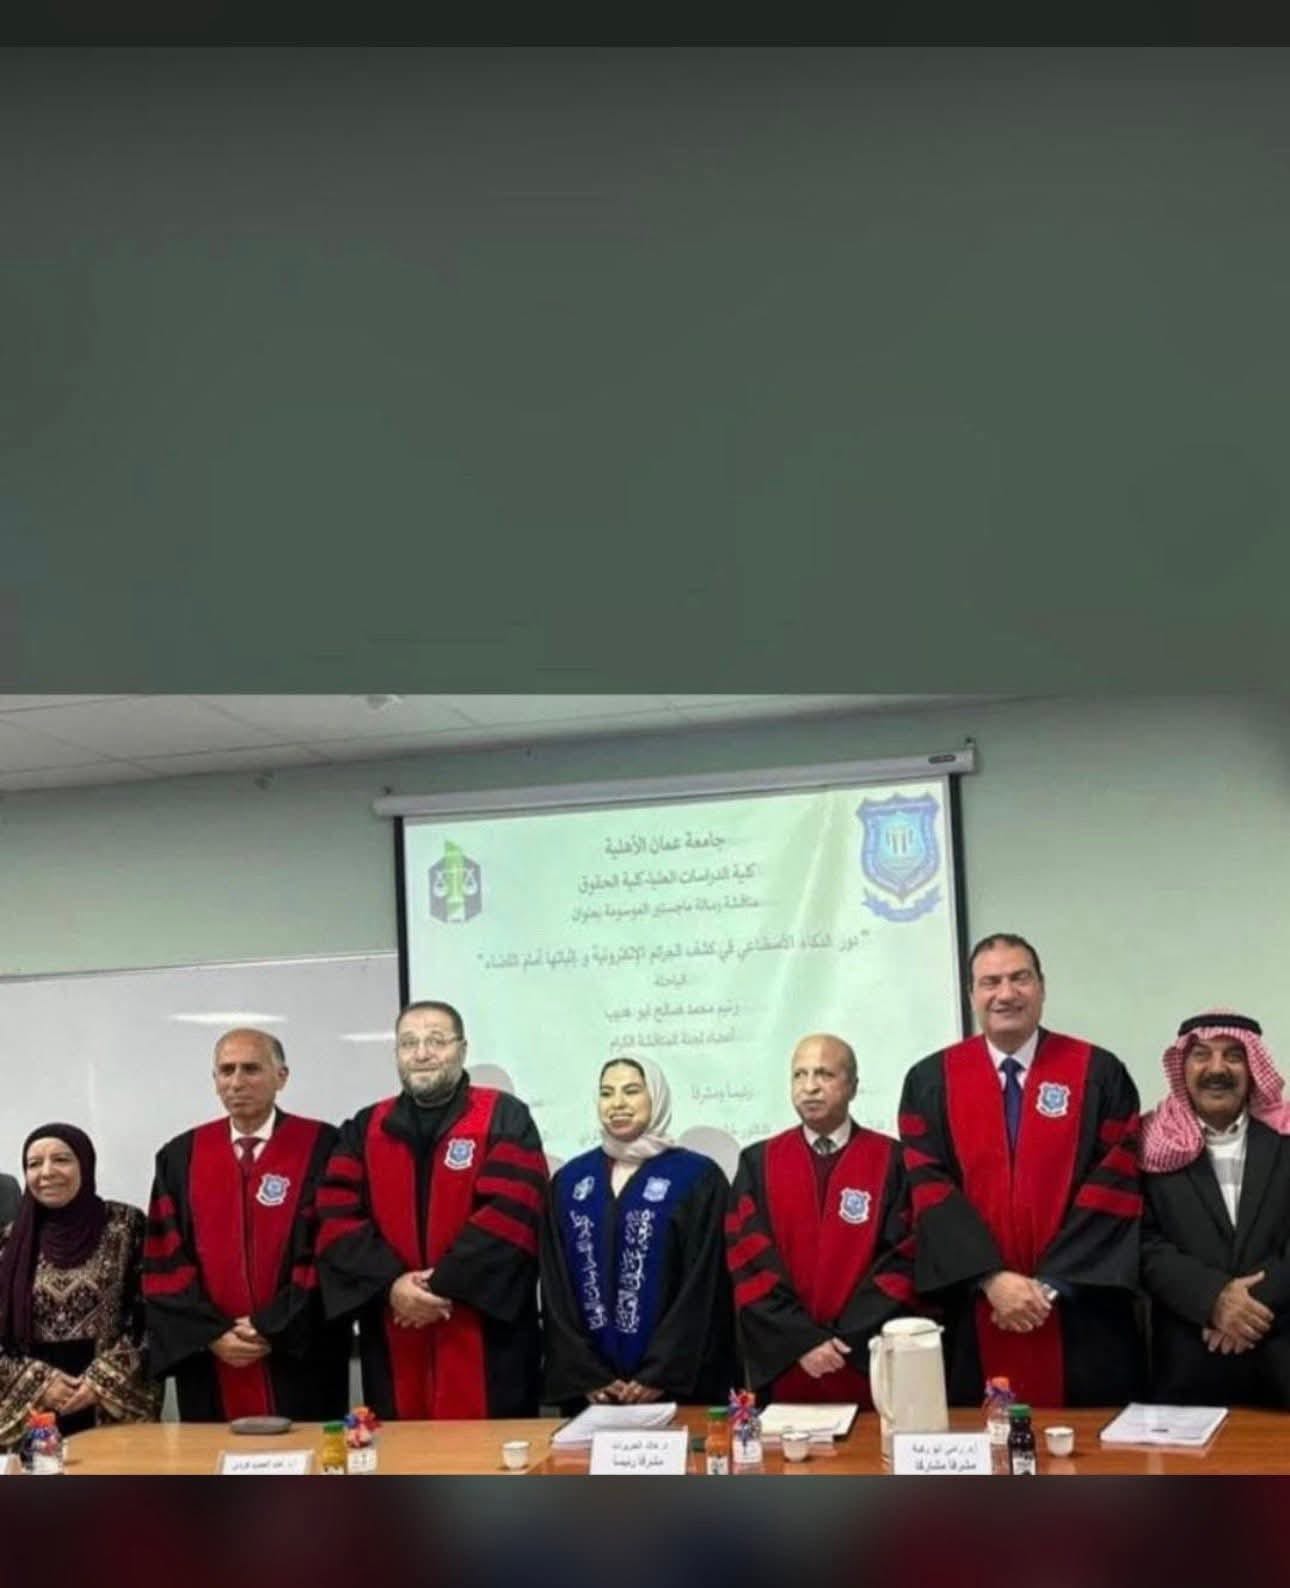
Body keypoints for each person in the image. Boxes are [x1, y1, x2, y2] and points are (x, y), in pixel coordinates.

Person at [899, 933, 1144, 1406]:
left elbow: (1115, 1182)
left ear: (1042, 987)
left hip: (1082, 1313)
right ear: (971, 994)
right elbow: (930, 1190)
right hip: (976, 1309)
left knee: (1087, 1446)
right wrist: (991, 1279)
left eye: (1020, 978)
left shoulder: (1098, 1072)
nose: (1006, 994)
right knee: (984, 1442)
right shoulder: (930, 1081)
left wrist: (1048, 1287)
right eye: (990, 982)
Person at [317, 1000, 546, 1418]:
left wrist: (439, 1287)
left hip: (484, 1333)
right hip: (394, 1324)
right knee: (402, 1449)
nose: (421, 1053)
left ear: (462, 1049)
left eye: (436, 1041)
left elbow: (512, 1212)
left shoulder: (503, 1117)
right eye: (409, 1043)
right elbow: (336, 1215)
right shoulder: (366, 1128)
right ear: (396, 1053)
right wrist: (393, 1286)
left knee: (491, 1451)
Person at [143, 1028, 349, 1421]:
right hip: (211, 1358)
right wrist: (212, 1333)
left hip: (299, 1354)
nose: (237, 1082)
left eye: (251, 1069)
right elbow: (166, 1259)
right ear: (215, 1080)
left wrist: (271, 1326)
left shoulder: (324, 1146)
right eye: (226, 1071)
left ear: (281, 1077)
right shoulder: (179, 1157)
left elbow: (332, 1248)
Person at [725, 1034, 917, 1405]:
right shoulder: (758, 1163)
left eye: (825, 1074)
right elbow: (748, 1263)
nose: (809, 1087)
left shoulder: (893, 1161)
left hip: (868, 1359)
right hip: (787, 1362)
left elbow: (903, 1260)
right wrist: (802, 1341)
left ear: (853, 1086)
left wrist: (846, 1340)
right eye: (799, 1075)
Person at [541, 1056, 735, 1410]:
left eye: (631, 1091)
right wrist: (586, 1373)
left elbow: (705, 1286)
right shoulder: (570, 1181)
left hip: (676, 1392)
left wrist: (660, 1372)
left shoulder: (697, 1178)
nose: (617, 1104)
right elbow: (556, 1288)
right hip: (595, 1395)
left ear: (656, 1097)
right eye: (607, 1093)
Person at [1140, 1010, 1290, 1405]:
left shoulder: (1286, 1136)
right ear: (1182, 1066)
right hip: (1186, 1362)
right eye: (1202, 1055)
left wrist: (1247, 1308)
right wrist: (1212, 1300)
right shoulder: (1148, 1141)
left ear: (1254, 1067)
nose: (1217, 1069)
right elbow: (1141, 1242)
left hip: (1281, 1354)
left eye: (1234, 1056)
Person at [0, 1123, 159, 1445]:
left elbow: (154, 1314)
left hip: (109, 1402)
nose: (47, 1172)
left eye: (61, 1159)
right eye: (34, 1164)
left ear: (85, 1164)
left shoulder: (126, 1225)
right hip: (35, 1407)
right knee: (42, 1477)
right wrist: (39, 1383)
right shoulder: (9, 1241)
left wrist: (100, 1382)